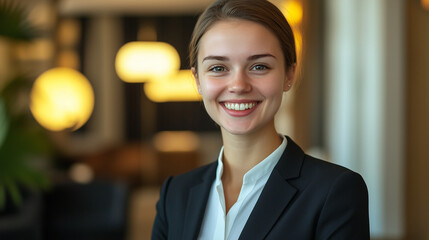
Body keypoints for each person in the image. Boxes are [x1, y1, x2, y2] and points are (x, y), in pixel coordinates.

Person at [151, 0, 370, 239]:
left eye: (259, 66)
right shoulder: (176, 193)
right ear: (197, 80)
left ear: (289, 74)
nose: (238, 85)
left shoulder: (334, 191)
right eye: (217, 68)